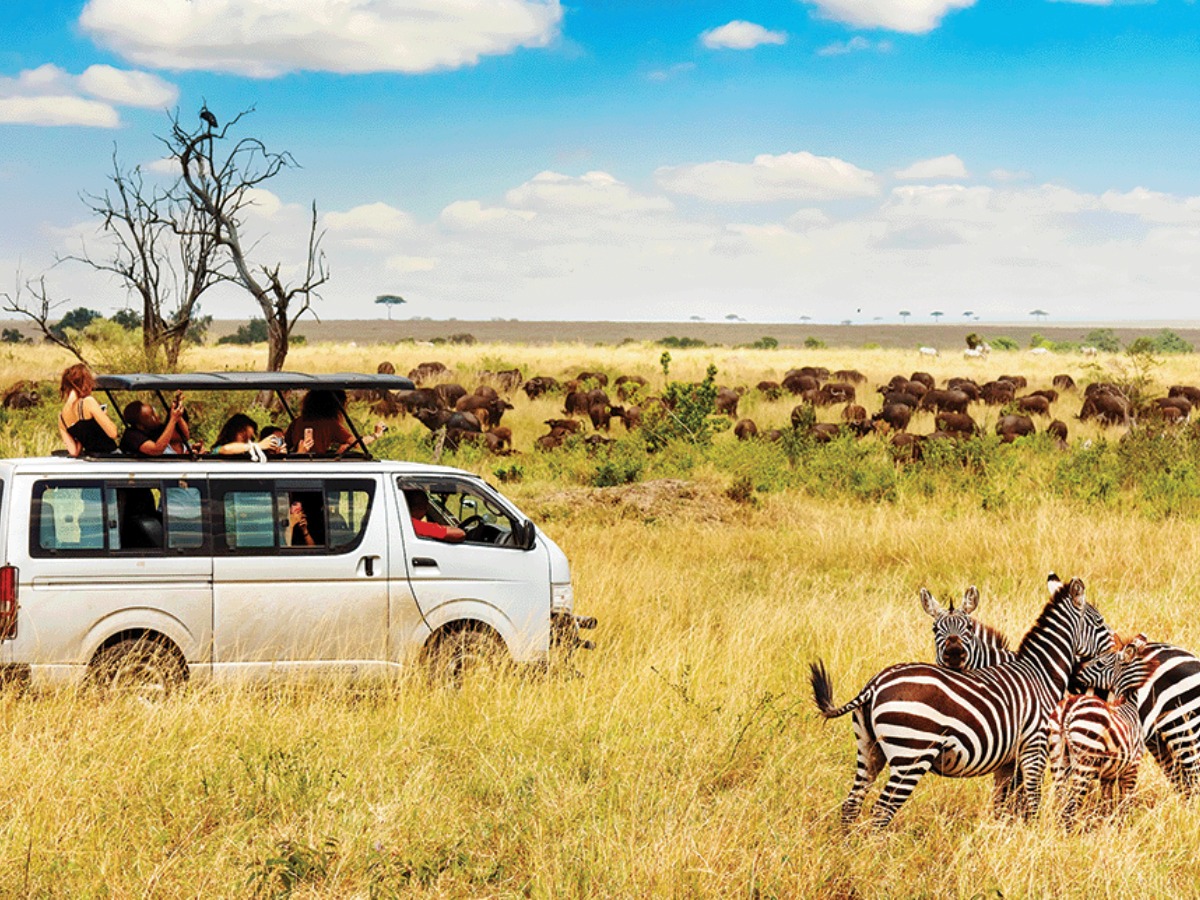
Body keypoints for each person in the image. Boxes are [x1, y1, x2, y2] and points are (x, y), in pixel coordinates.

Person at [284, 389, 386, 455]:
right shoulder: (330, 424)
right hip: (317, 467)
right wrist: (376, 434)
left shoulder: (297, 422)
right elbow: (357, 443)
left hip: (297, 464)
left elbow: (286, 444)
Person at [58, 363, 118, 456]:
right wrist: (103, 416)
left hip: (91, 460)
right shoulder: (88, 402)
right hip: (110, 457)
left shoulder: (62, 417)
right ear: (85, 383)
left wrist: (82, 435)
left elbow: (74, 452)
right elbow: (113, 433)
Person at [120, 395, 191, 456]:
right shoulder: (132, 435)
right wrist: (173, 420)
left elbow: (184, 436)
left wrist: (178, 413)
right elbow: (155, 450)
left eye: (154, 411)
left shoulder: (156, 428)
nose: (157, 416)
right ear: (140, 426)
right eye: (151, 416)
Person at [212, 413, 282, 456]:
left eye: (251, 439)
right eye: (244, 438)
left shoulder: (249, 454)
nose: (248, 442)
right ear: (232, 433)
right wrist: (258, 446)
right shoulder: (218, 450)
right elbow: (226, 449)